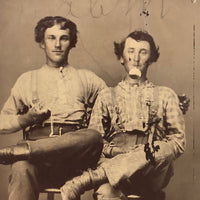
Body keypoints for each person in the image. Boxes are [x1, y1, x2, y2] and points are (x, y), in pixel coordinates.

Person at [60, 30, 189, 200]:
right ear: (121, 57)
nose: (136, 58)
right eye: (130, 51)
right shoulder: (106, 95)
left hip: (150, 174)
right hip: (113, 169)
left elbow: (178, 142)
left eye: (143, 52)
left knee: (164, 149)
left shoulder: (166, 95)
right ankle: (101, 179)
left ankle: (87, 180)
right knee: (105, 194)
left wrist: (143, 153)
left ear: (151, 58)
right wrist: (118, 152)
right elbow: (95, 141)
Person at [0, 16, 106, 200]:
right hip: (38, 164)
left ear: (71, 42)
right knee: (20, 167)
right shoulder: (27, 80)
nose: (57, 44)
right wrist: (28, 119)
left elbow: (113, 108)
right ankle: (28, 152)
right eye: (51, 38)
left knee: (94, 136)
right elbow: (2, 123)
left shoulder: (88, 78)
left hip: (75, 163)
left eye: (63, 38)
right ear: (42, 42)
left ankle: (24, 150)